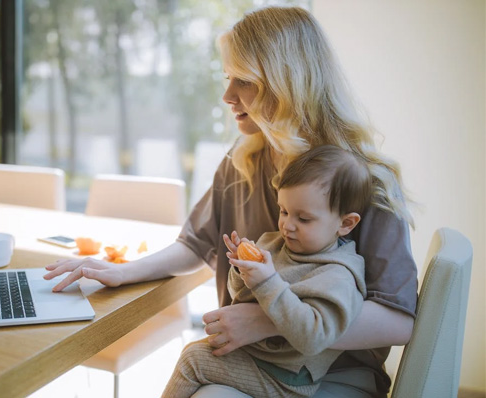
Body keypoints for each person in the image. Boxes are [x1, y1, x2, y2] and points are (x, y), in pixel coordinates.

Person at [44, 6, 417, 397]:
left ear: (287, 83)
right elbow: (194, 245)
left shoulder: (364, 181)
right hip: (253, 358)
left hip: (333, 375)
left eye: (244, 81)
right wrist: (123, 272)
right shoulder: (243, 160)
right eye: (227, 78)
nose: (227, 95)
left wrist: (269, 319)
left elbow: (397, 321)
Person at [162, 145, 371, 398]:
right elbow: (241, 296)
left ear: (346, 223)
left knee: (193, 360)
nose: (287, 226)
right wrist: (241, 270)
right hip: (257, 356)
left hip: (287, 377)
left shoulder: (338, 274)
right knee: (196, 351)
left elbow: (314, 337)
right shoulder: (275, 244)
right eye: (283, 211)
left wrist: (268, 282)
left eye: (303, 219)